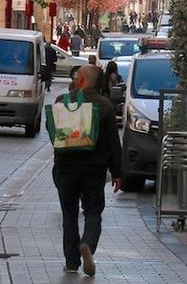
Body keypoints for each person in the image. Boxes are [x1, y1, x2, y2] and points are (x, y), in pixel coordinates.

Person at [52, 65, 121, 276]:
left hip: (66, 168)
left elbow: (53, 133)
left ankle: (72, 262)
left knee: (69, 215)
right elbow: (113, 143)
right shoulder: (105, 106)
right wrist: (117, 172)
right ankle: (88, 245)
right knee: (93, 212)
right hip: (94, 169)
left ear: (80, 81)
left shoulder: (62, 101)